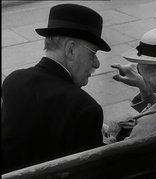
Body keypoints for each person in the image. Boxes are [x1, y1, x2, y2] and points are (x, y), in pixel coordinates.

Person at [1, 4, 110, 173]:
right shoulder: (85, 108)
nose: (96, 63)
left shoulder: (14, 81)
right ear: (71, 49)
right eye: (93, 54)